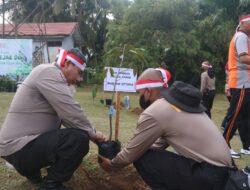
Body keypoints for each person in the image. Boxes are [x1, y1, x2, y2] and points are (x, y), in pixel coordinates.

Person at [99, 68, 233, 190]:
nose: (141, 98)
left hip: (210, 176)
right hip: (223, 173)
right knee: (144, 152)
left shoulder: (155, 111)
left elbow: (134, 152)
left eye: (140, 94)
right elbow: (158, 144)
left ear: (148, 91)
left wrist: (112, 165)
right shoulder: (177, 104)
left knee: (142, 157)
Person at [0, 48, 106, 190]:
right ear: (67, 63)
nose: (79, 78)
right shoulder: (48, 72)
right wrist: (93, 134)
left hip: (21, 147)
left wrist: (92, 136)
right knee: (78, 139)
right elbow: (72, 113)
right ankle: (51, 185)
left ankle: (33, 174)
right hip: (19, 147)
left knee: (74, 135)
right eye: (79, 72)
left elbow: (68, 119)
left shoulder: (51, 75)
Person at [223, 13, 250, 158]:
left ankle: (246, 145)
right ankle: (224, 145)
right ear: (243, 23)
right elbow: (244, 57)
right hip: (240, 83)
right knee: (234, 115)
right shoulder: (241, 36)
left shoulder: (244, 37)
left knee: (244, 116)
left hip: (244, 83)